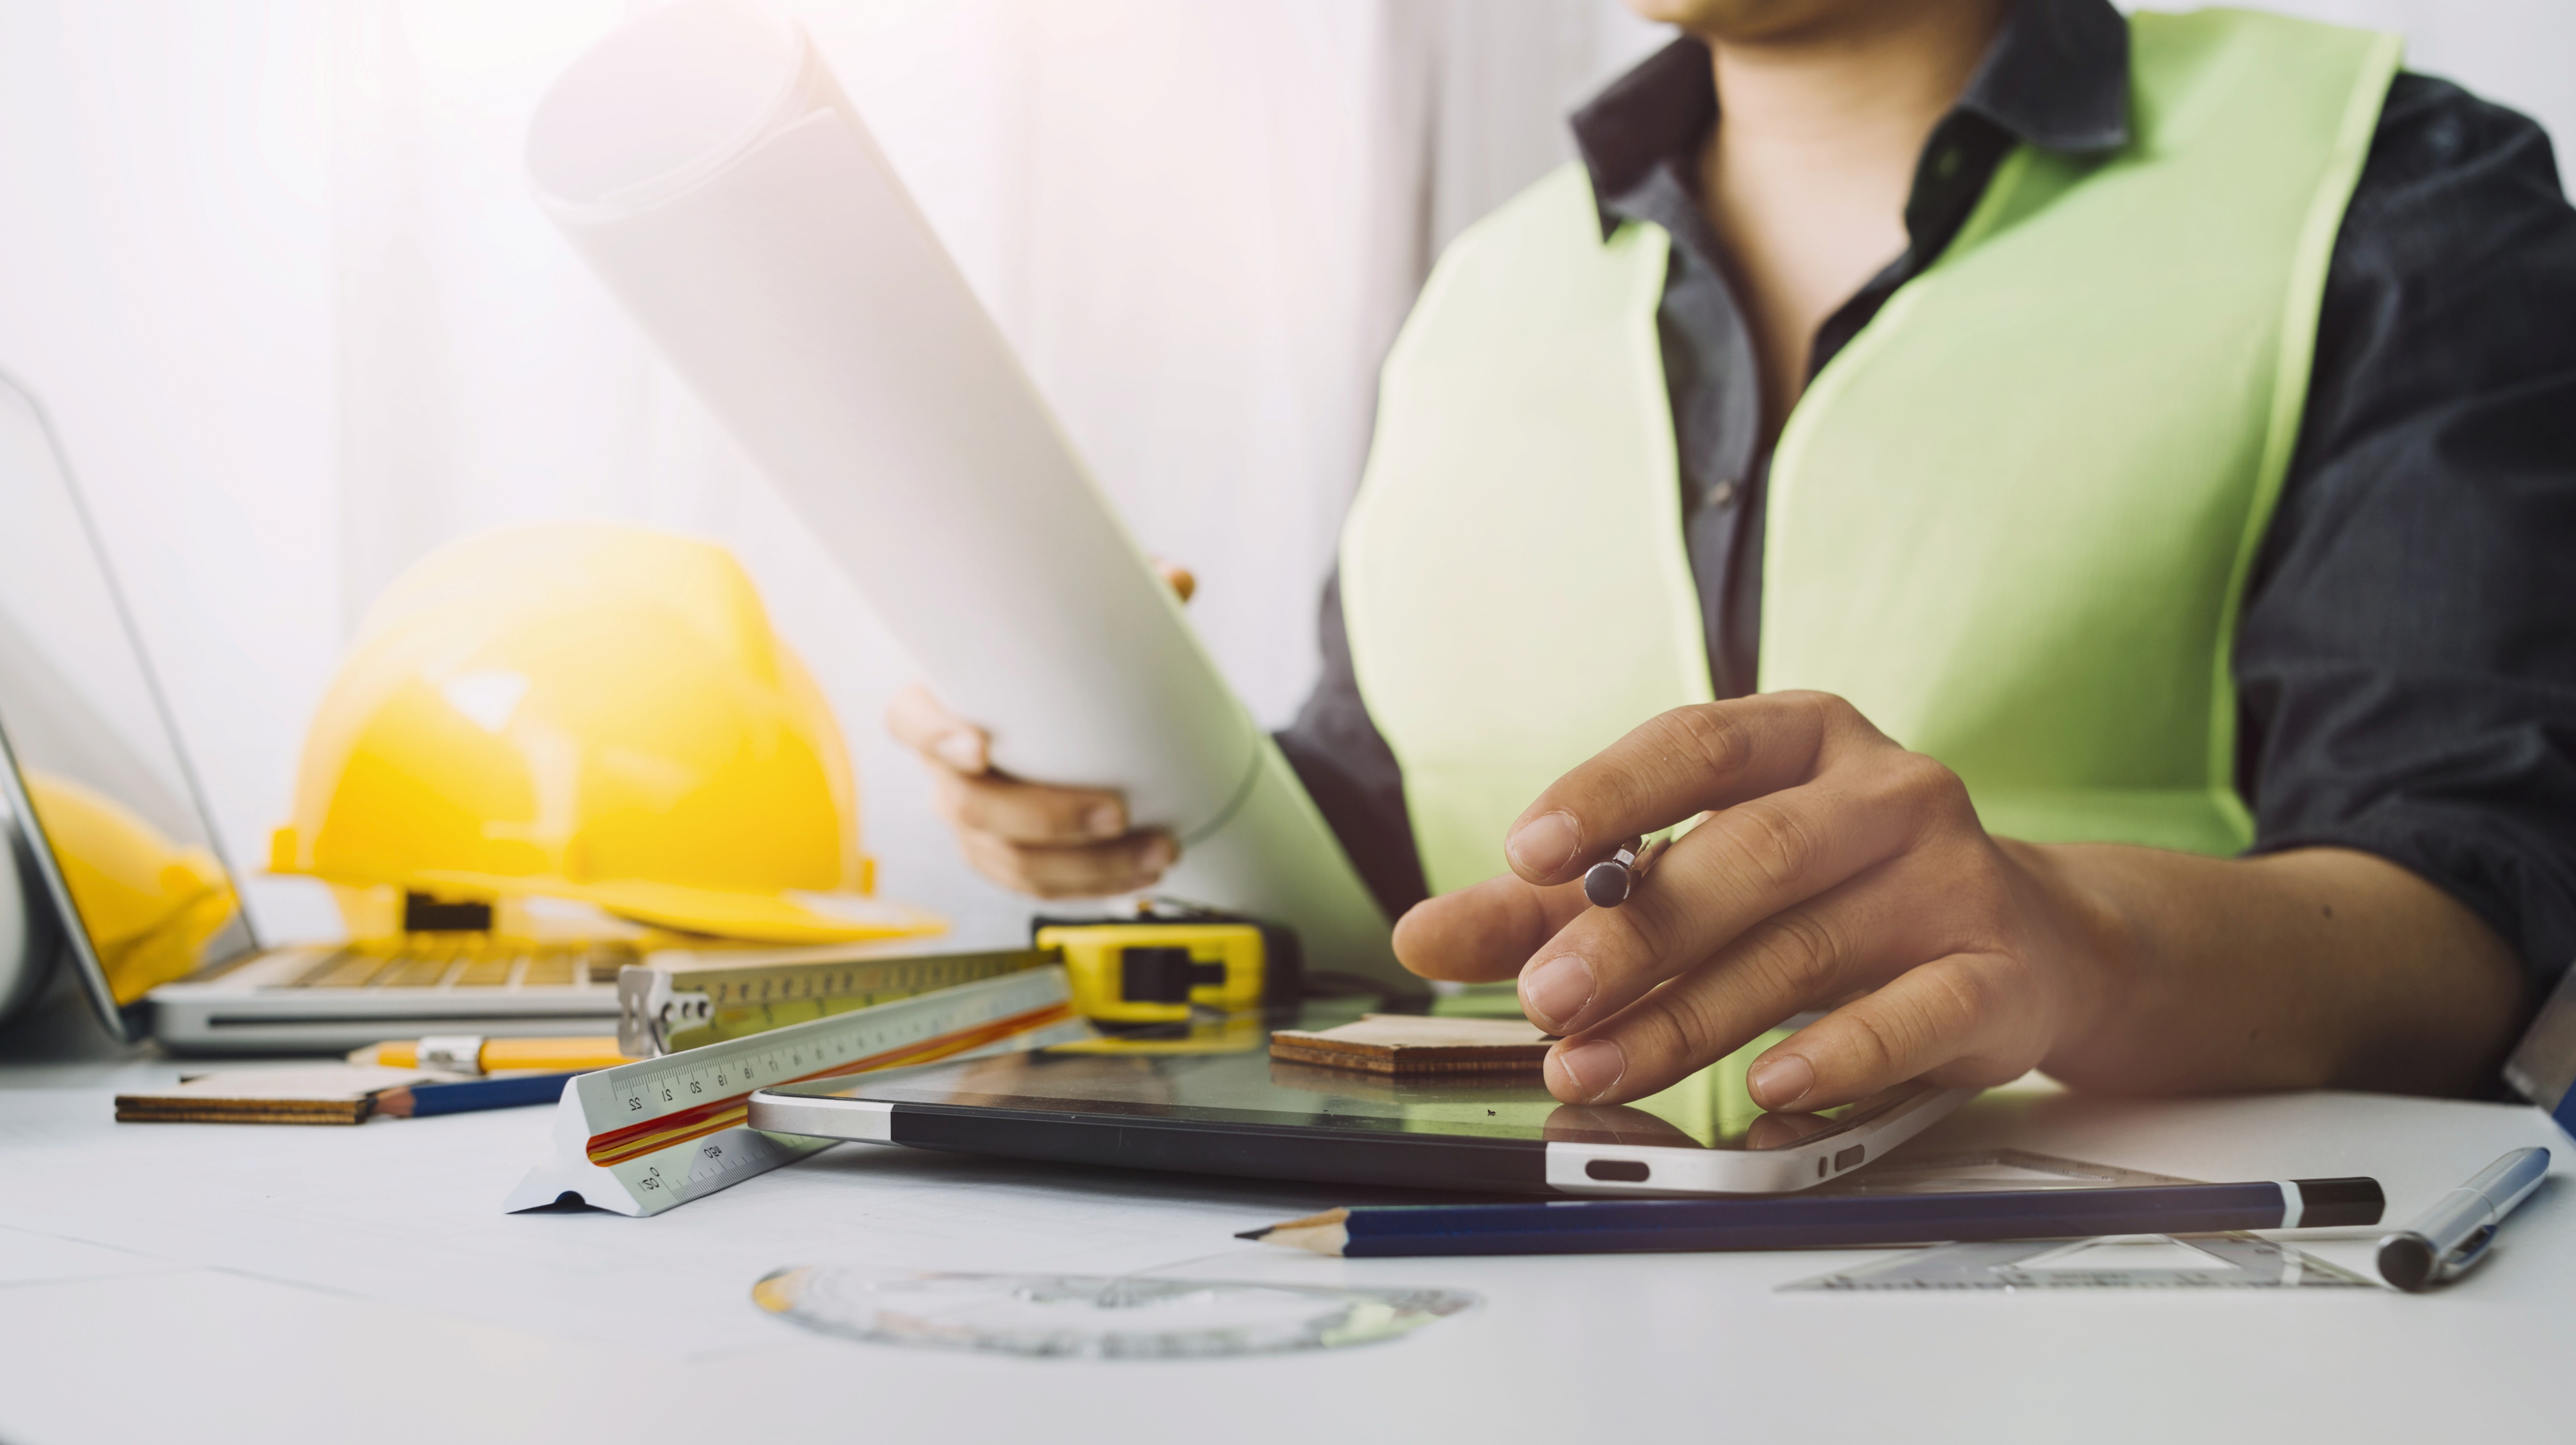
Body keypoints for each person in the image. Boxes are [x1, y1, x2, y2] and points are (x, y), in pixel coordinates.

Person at [891, 0, 2576, 1116]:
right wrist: (1132, 806)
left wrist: (2069, 942)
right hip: (1494, 1312)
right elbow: (1388, 845)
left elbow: (2468, 923)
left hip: (2133, 1323)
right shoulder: (1487, 291)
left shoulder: (2388, 187)